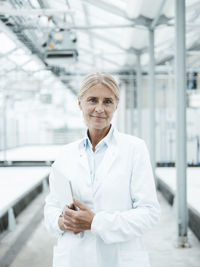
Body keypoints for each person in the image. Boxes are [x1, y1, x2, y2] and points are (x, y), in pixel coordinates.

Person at [44, 72, 160, 267]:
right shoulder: (66, 154)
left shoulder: (134, 149)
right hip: (74, 258)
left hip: (119, 258)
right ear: (80, 103)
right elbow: (51, 206)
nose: (100, 109)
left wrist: (95, 222)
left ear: (116, 106)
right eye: (92, 100)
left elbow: (149, 213)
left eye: (107, 101)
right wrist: (60, 222)